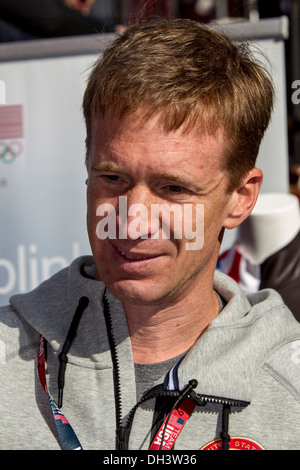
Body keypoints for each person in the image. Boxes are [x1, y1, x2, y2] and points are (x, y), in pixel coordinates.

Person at [0, 18, 299, 451]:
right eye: (113, 178)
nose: (133, 221)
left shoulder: (289, 386)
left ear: (240, 197)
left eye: (173, 188)